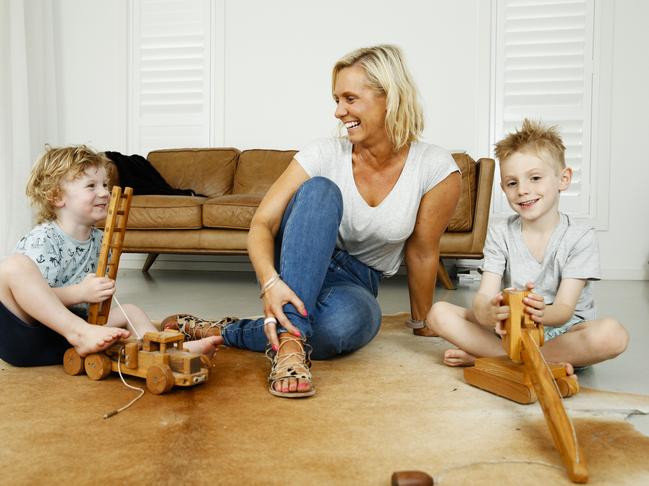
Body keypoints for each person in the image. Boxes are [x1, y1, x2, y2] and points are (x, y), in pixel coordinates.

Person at [163, 44, 461, 398]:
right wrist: (271, 282)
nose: (338, 111)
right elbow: (262, 224)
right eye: (336, 99)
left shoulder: (436, 169)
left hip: (358, 280)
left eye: (350, 99)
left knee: (342, 328)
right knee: (320, 190)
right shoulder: (322, 154)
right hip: (298, 259)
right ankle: (290, 346)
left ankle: (225, 331)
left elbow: (423, 253)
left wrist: (421, 321)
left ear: (390, 98)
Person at [426, 119, 628, 369]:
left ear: (563, 179)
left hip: (563, 335)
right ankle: (526, 362)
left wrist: (542, 313)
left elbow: (564, 309)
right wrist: (488, 313)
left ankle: (496, 358)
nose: (523, 190)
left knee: (613, 335)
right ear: (504, 188)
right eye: (512, 183)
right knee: (438, 314)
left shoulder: (580, 236)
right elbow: (483, 298)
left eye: (534, 178)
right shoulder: (500, 233)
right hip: (512, 333)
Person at [0, 145, 220, 367]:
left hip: (71, 336)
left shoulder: (101, 240)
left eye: (104, 184)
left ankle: (166, 352)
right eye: (91, 186)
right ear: (57, 197)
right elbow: (33, 300)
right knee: (14, 267)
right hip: (29, 337)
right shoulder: (42, 240)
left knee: (130, 311)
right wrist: (80, 293)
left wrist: (98, 295)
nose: (105, 192)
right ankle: (80, 334)